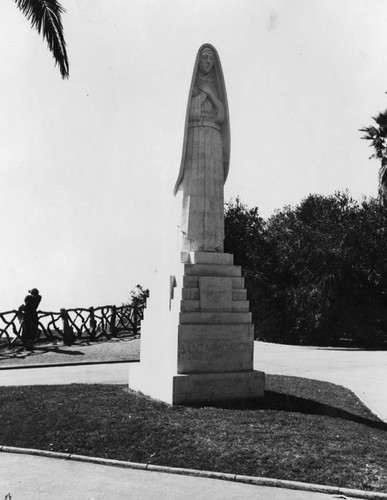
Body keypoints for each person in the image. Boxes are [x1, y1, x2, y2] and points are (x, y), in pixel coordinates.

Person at [174, 44, 230, 252]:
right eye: (205, 58)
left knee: (213, 192)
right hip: (196, 137)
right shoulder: (192, 85)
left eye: (211, 59)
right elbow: (191, 113)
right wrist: (203, 96)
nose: (208, 62)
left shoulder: (214, 87)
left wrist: (212, 96)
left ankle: (215, 245)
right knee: (195, 189)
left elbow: (222, 116)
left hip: (214, 138)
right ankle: (193, 243)